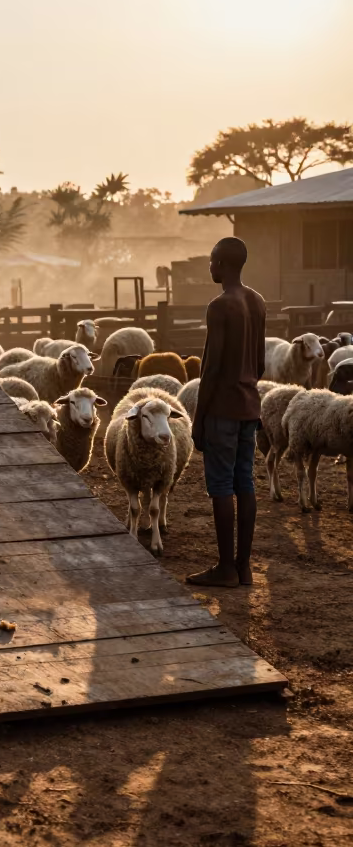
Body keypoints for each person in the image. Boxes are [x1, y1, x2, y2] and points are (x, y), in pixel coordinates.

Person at [186, 236, 266, 588]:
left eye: (212, 261)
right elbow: (260, 363)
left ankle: (225, 569)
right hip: (250, 406)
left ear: (222, 263)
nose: (210, 267)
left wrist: (200, 418)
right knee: (244, 482)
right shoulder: (257, 301)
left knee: (220, 486)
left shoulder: (219, 306)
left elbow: (212, 369)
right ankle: (244, 567)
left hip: (222, 410)